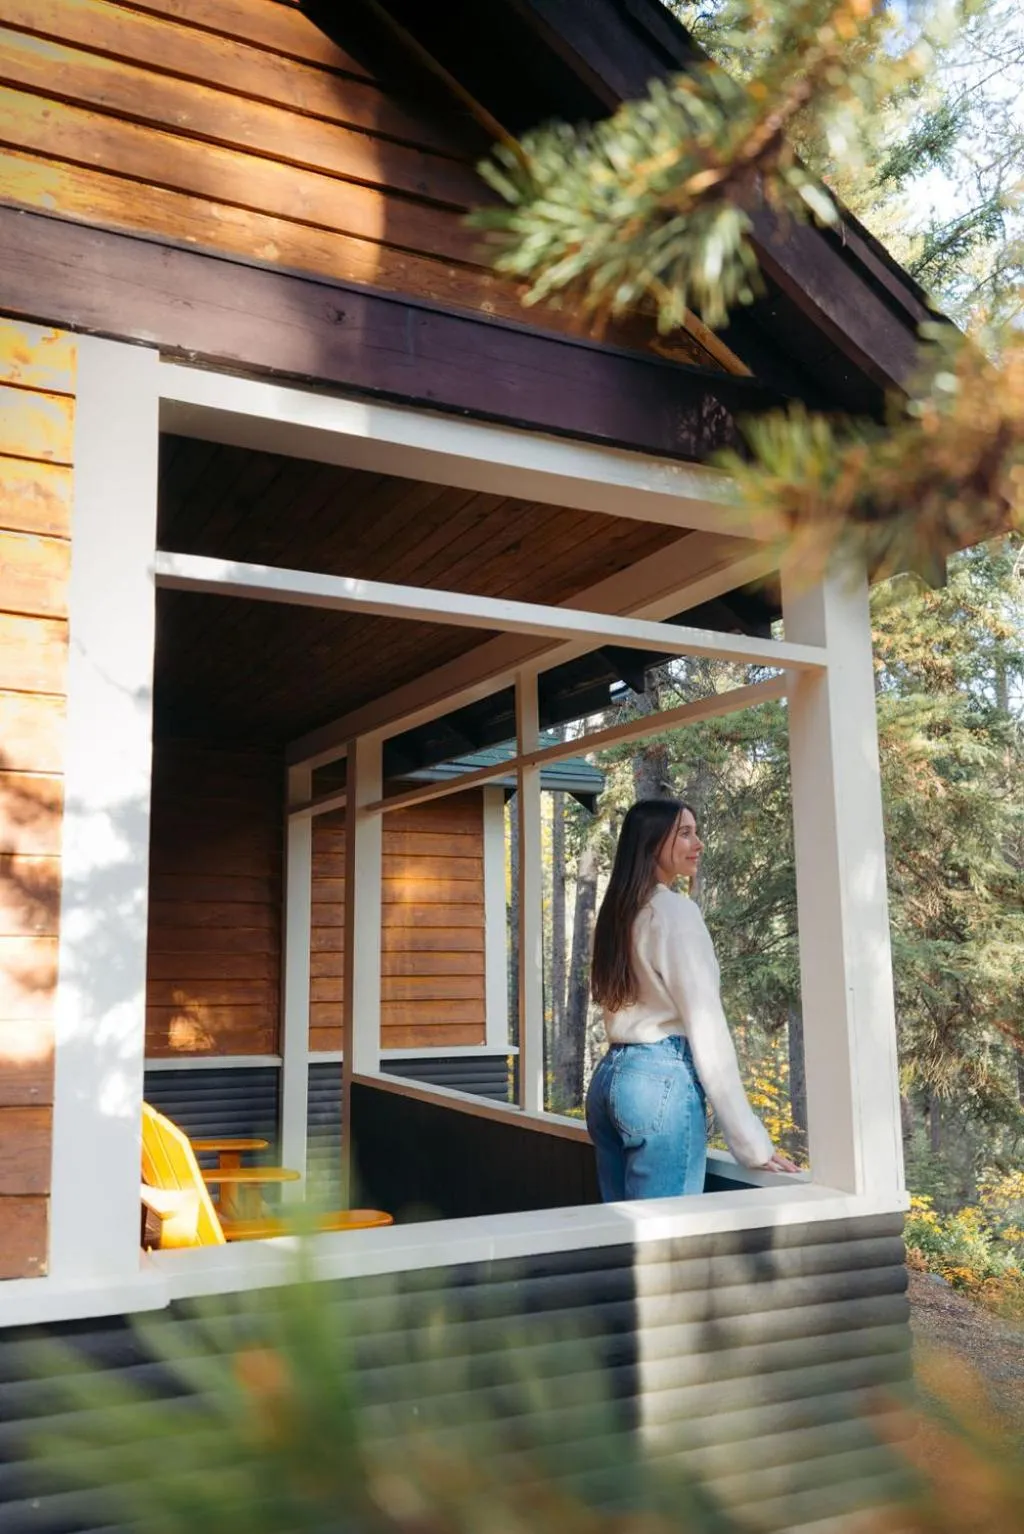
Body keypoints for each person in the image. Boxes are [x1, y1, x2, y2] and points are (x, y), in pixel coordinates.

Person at [586, 798, 799, 1201]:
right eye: (684, 833)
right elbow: (707, 1027)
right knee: (666, 1246)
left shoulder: (617, 913)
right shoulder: (674, 912)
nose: (698, 843)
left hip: (610, 1080)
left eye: (695, 832)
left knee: (621, 1239)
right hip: (658, 1082)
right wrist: (751, 1143)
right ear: (651, 843)